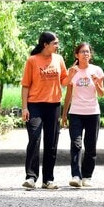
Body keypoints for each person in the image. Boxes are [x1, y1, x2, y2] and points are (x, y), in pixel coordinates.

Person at [20, 31, 69, 190]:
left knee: (51, 143)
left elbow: (64, 81)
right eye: (55, 43)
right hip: (35, 105)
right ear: (45, 45)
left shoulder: (59, 59)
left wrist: (73, 73)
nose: (57, 45)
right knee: (34, 138)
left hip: (53, 105)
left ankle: (48, 179)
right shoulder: (32, 61)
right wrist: (24, 108)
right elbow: (25, 85)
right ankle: (31, 177)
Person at [61, 42, 104, 188]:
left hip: (93, 113)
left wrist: (96, 82)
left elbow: (102, 94)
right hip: (76, 113)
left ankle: (87, 176)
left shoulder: (97, 70)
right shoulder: (72, 71)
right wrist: (64, 114)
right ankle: (76, 175)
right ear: (76, 55)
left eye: (87, 52)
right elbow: (68, 95)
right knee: (76, 144)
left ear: (90, 55)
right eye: (82, 52)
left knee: (90, 146)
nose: (85, 54)